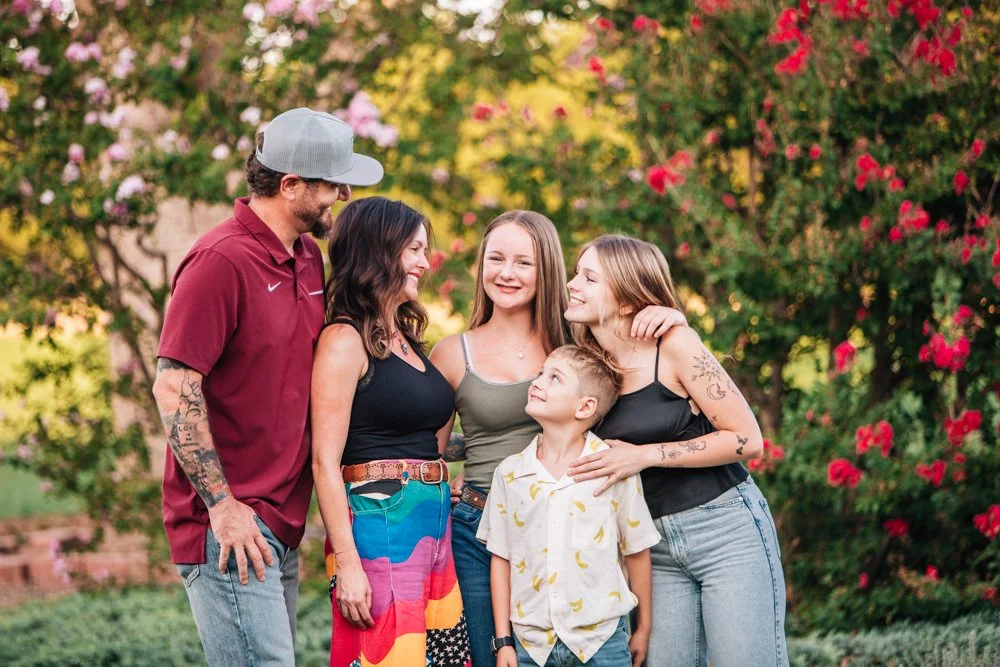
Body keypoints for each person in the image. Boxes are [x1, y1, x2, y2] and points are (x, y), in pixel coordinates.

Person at [152, 107, 383, 665]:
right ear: (290, 184)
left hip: (277, 523)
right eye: (333, 183)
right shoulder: (220, 261)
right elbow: (174, 388)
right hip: (230, 528)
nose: (343, 195)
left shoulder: (306, 257)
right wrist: (222, 506)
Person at [429, 211, 687, 667]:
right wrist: (444, 481)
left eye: (523, 262)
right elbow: (429, 453)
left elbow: (644, 351)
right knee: (495, 657)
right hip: (479, 525)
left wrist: (674, 317)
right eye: (496, 259)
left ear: (545, 268)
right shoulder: (452, 353)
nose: (506, 273)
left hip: (573, 517)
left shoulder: (578, 345)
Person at [565, 234, 789, 667]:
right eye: (577, 274)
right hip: (652, 550)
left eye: (589, 278)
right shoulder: (586, 364)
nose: (573, 285)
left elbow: (747, 439)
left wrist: (643, 455)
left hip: (725, 531)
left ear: (627, 299)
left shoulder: (674, 346)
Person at [311, 197, 471, 667]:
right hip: (380, 523)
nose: (425, 262)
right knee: (389, 657)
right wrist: (348, 563)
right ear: (379, 251)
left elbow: (420, 437)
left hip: (433, 524)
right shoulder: (344, 340)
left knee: (440, 659)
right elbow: (324, 460)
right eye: (413, 250)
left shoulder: (404, 337)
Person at [477, 345, 660, 667]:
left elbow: (637, 549)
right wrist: (503, 641)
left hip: (602, 642)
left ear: (585, 406)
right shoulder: (510, 473)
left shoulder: (613, 467)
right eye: (540, 374)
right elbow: (501, 559)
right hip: (532, 647)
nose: (537, 382)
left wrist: (643, 628)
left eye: (554, 378)